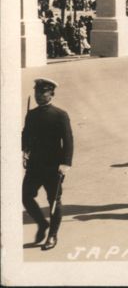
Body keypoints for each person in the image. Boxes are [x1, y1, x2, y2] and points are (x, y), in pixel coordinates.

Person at [22, 78, 74, 251]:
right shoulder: (32, 114)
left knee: (54, 201)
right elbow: (26, 136)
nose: (38, 95)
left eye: (42, 92)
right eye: (37, 92)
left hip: (53, 166)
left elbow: (68, 141)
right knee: (26, 196)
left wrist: (65, 163)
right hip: (35, 164)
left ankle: (52, 234)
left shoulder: (60, 114)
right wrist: (24, 146)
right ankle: (42, 224)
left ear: (51, 94)